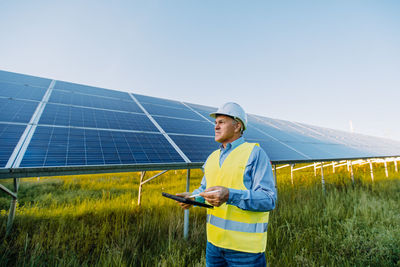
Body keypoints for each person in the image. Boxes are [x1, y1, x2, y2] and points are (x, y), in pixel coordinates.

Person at [176, 102, 277, 267]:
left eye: (221, 122)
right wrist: (193, 198)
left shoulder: (255, 154)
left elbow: (268, 199)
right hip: (214, 246)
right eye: (215, 123)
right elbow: (205, 191)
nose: (216, 127)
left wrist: (230, 195)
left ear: (237, 126)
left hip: (245, 251)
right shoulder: (212, 158)